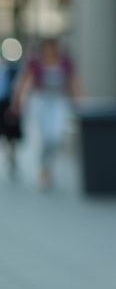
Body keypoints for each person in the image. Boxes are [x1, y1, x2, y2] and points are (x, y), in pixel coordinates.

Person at [13, 37, 81, 189]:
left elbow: (73, 81)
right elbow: (25, 80)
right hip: (41, 100)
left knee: (55, 135)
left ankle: (48, 165)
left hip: (58, 101)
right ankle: (44, 168)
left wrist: (80, 99)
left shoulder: (64, 62)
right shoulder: (35, 62)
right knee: (45, 135)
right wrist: (18, 100)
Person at [0, 43, 22, 177]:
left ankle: (12, 156)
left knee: (12, 133)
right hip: (1, 103)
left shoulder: (16, 68)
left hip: (11, 103)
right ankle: (9, 155)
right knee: (3, 133)